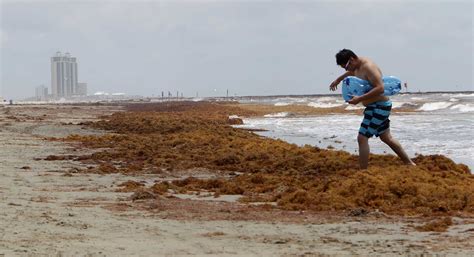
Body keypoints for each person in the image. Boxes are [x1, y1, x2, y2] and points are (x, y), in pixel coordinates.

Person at [329, 49, 416, 169]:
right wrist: (338, 80)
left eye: (347, 66)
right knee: (386, 137)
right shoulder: (355, 68)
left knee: (362, 138)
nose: (347, 70)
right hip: (375, 106)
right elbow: (350, 73)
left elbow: (380, 88)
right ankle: (409, 163)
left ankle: (363, 171)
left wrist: (359, 99)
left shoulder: (368, 67)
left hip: (379, 106)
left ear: (352, 59)